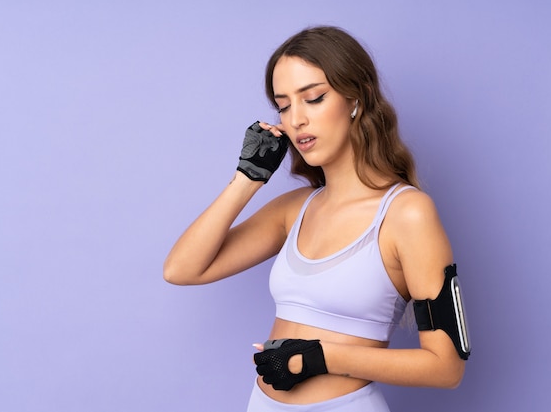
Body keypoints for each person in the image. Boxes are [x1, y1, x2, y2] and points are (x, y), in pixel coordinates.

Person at [164, 26, 467, 411]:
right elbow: (181, 269)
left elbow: (446, 367)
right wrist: (248, 177)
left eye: (314, 98)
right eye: (284, 105)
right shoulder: (296, 208)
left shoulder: (407, 213)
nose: (297, 120)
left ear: (355, 100)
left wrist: (319, 358)